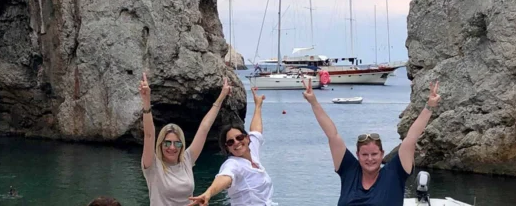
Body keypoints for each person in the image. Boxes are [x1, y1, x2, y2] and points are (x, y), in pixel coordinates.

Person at [302, 78, 441, 206]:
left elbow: (411, 138)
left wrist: (429, 107)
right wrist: (314, 102)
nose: (370, 159)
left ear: (382, 154)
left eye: (374, 154)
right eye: (365, 155)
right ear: (357, 155)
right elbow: (332, 135)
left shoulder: (395, 173)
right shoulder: (349, 171)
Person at [140, 71, 231, 206]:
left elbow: (204, 128)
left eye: (177, 143)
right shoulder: (152, 165)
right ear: (160, 144)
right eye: (167, 143)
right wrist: (146, 102)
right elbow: (149, 134)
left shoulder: (186, 160)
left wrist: (221, 97)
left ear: (182, 146)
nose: (172, 147)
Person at [188, 87, 273, 206]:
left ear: (247, 138)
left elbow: (256, 130)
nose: (236, 143)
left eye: (239, 138)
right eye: (230, 142)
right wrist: (208, 193)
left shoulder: (252, 149)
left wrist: (258, 106)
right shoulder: (233, 164)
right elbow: (224, 177)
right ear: (227, 148)